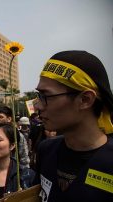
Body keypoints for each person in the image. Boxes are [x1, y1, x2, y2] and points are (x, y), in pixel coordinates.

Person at [34, 50, 113, 201]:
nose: (37, 105)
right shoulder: (46, 150)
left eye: (45, 96)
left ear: (85, 99)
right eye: (38, 96)